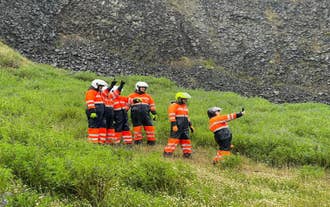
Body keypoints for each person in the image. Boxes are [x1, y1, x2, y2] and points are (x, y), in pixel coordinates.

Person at [163, 92, 194, 158]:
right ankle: (167, 153)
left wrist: (190, 125)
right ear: (179, 99)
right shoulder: (174, 105)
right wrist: (174, 125)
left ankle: (187, 154)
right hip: (177, 126)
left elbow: (187, 117)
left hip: (185, 127)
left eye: (186, 99)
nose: (186, 100)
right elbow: (172, 116)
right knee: (173, 140)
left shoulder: (185, 106)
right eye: (184, 99)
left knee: (186, 140)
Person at [128, 81, 157, 145]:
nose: (143, 89)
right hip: (135, 115)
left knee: (150, 127)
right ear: (137, 88)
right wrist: (124, 112)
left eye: (144, 88)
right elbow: (127, 105)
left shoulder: (148, 96)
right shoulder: (131, 96)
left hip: (146, 115)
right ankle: (138, 142)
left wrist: (154, 113)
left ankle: (151, 142)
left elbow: (152, 105)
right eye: (142, 88)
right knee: (137, 128)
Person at [85, 79, 108, 143]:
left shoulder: (98, 93)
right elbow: (90, 101)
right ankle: (93, 142)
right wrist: (92, 111)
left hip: (99, 113)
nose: (101, 88)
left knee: (100, 126)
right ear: (96, 85)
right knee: (94, 126)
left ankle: (100, 141)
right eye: (101, 86)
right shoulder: (91, 92)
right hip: (93, 112)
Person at [101, 80, 122, 144]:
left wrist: (120, 86)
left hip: (111, 114)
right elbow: (106, 91)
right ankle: (102, 141)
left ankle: (110, 141)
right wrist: (111, 86)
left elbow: (116, 93)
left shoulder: (110, 96)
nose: (109, 92)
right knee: (104, 127)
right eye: (108, 91)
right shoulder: (102, 96)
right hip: (105, 114)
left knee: (110, 128)